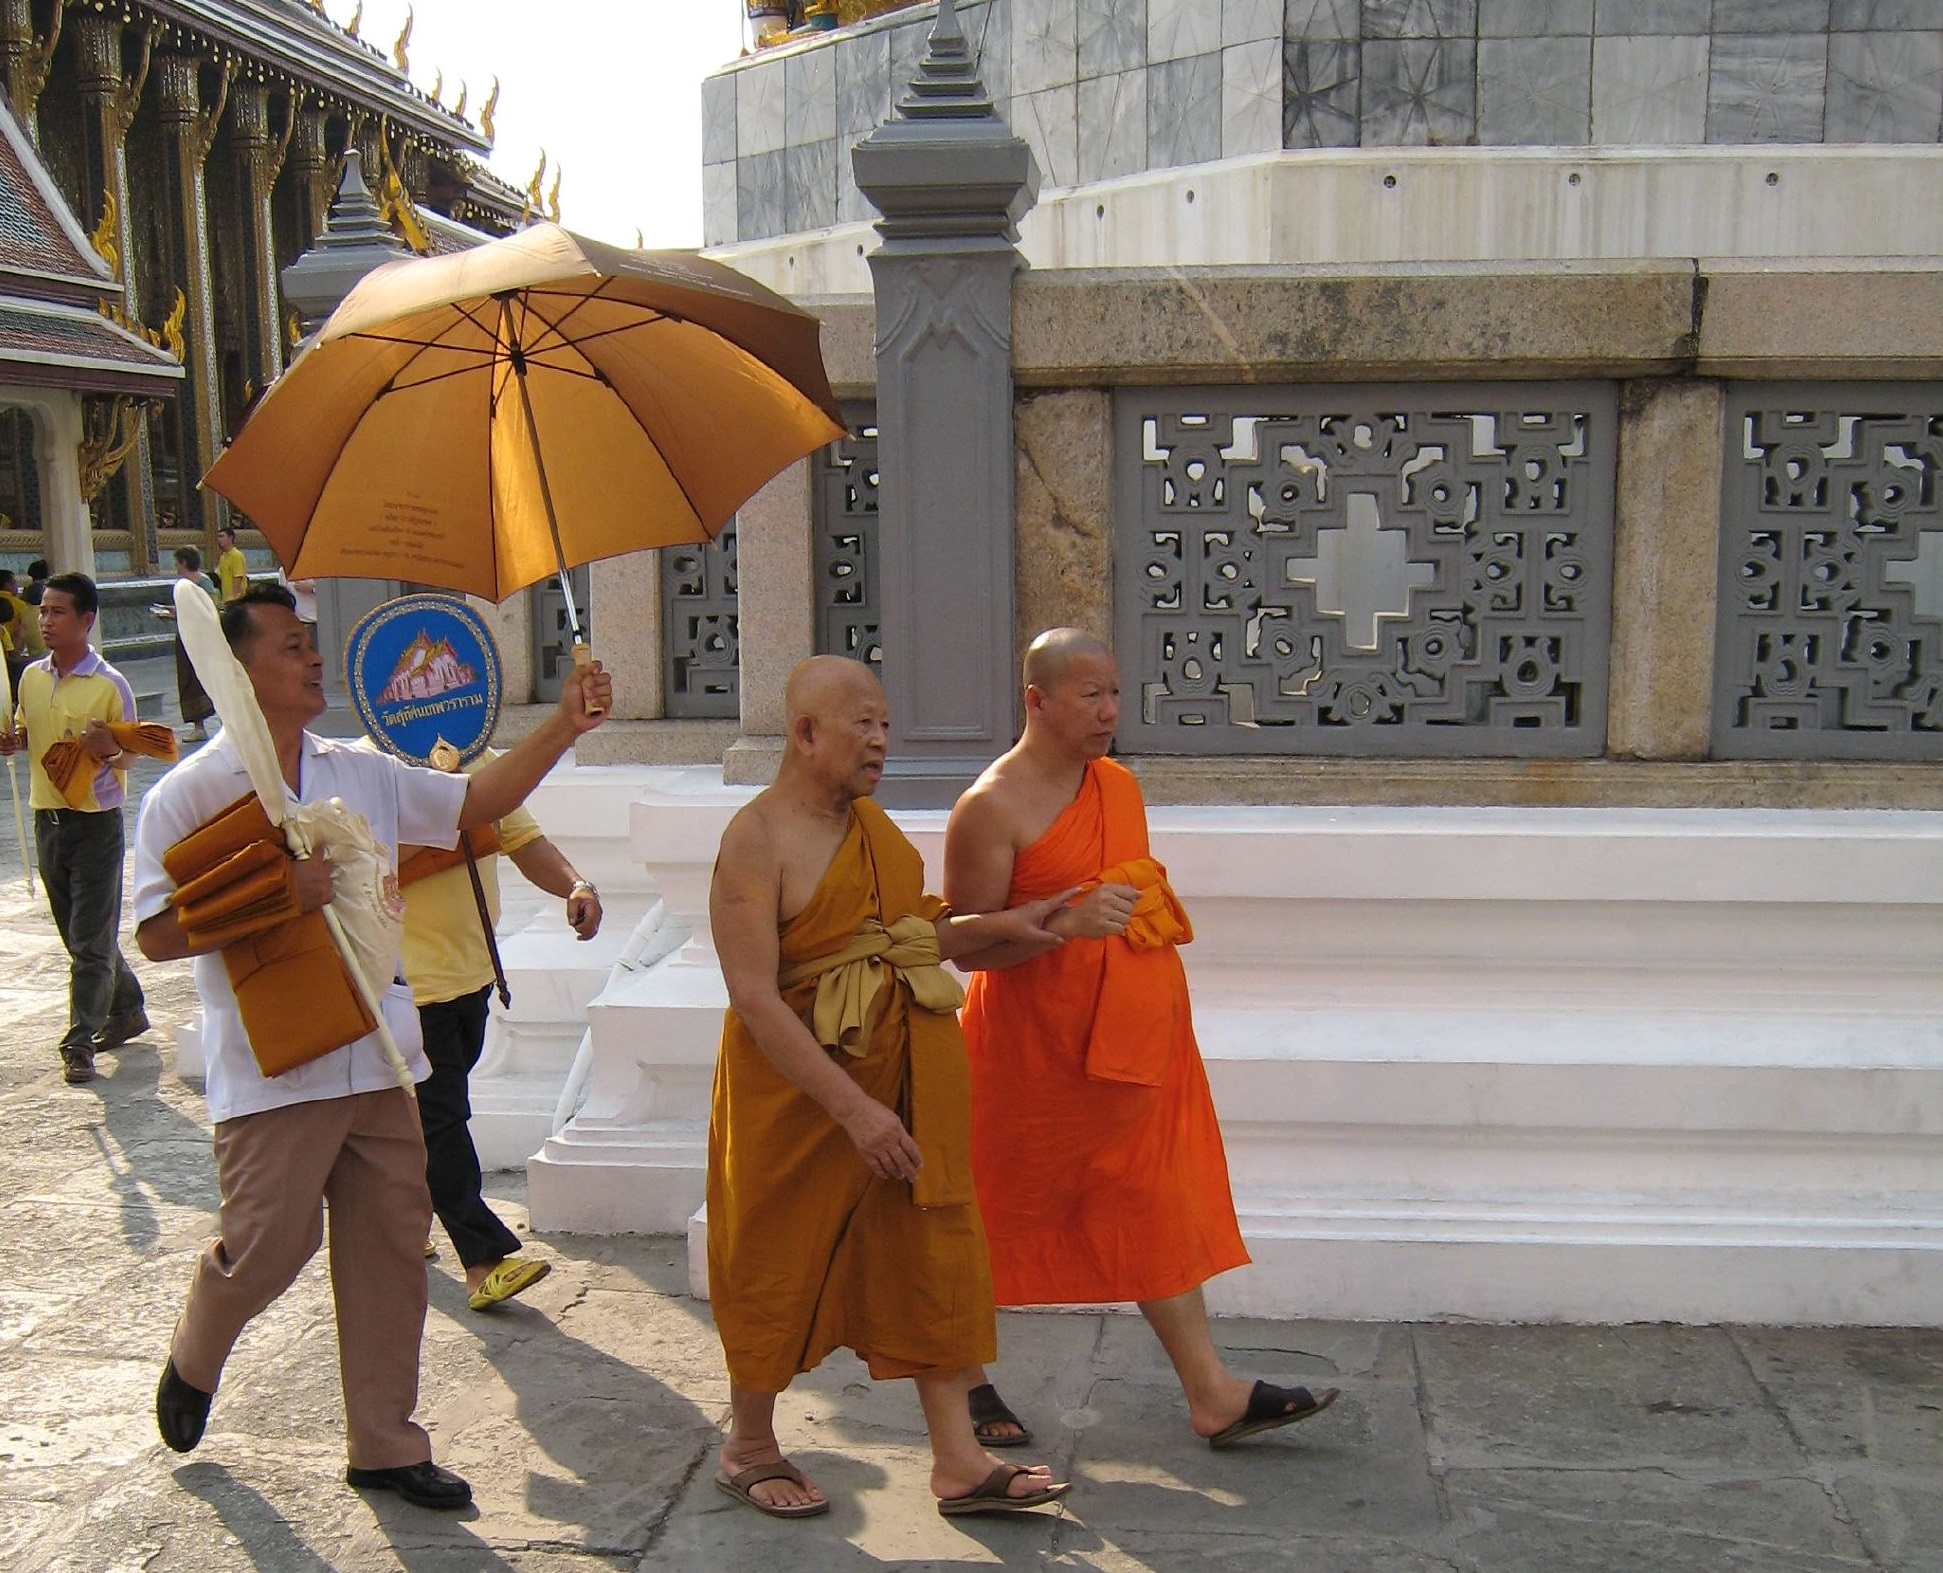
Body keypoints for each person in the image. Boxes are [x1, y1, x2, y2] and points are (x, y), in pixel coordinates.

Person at [131, 583, 611, 1511]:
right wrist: (278, 891)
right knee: (271, 1247)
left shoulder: (359, 770)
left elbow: (478, 798)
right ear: (238, 669)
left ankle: (385, 1442)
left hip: (383, 1050)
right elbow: (153, 932)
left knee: (391, 1244)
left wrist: (563, 727)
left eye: (311, 641)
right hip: (278, 1064)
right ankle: (198, 1347)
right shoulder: (189, 793)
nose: (313, 658)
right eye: (290, 646)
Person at [943, 629, 1340, 1451]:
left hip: (1132, 1042)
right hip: (1031, 1053)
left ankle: (1212, 1393)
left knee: (1151, 1199)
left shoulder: (1117, 785)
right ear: (1036, 699)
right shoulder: (990, 806)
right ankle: (960, 1374)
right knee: (986, 1209)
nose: (1109, 712)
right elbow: (963, 943)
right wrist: (1062, 925)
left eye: (1114, 693)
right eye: (1089, 695)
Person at [705, 654, 1072, 1520]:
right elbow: (754, 995)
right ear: (805, 733)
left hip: (905, 1079)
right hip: (800, 1098)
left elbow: (909, 939)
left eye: (883, 721)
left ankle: (956, 1458)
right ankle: (749, 1443)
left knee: (927, 1249)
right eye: (862, 723)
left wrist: (1008, 925)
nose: (881, 739)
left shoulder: (874, 830)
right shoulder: (755, 837)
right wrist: (853, 1108)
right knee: (773, 1253)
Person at [400, 766, 600, 1310]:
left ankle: (397, 1219)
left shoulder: (478, 761)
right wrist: (445, 824)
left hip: (475, 974)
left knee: (423, 1114)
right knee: (443, 1117)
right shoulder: (372, 767)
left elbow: (524, 839)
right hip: (407, 985)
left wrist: (576, 885)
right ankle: (482, 1259)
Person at [0, 571, 149, 1084]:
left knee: (89, 940)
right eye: (43, 610)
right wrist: (13, 742)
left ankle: (79, 1041)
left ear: (86, 620)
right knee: (79, 934)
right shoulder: (32, 678)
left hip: (96, 825)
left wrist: (109, 748)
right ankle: (127, 1005)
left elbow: (133, 755)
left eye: (57, 612)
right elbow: (25, 730)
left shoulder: (111, 685)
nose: (45, 620)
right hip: (49, 819)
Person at [153, 546, 218, 742]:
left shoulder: (203, 583)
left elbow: (208, 610)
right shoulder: (181, 585)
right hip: (184, 637)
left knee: (206, 679)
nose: (175, 566)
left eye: (177, 562)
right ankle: (198, 726)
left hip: (201, 638)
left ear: (184, 562)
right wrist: (171, 612)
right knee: (188, 680)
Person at [213, 525, 248, 604]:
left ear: (231, 538)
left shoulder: (236, 555)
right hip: (226, 598)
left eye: (222, 536)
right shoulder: (223, 557)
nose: (219, 539)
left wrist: (234, 598)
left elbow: (238, 578)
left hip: (236, 600)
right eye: (218, 537)